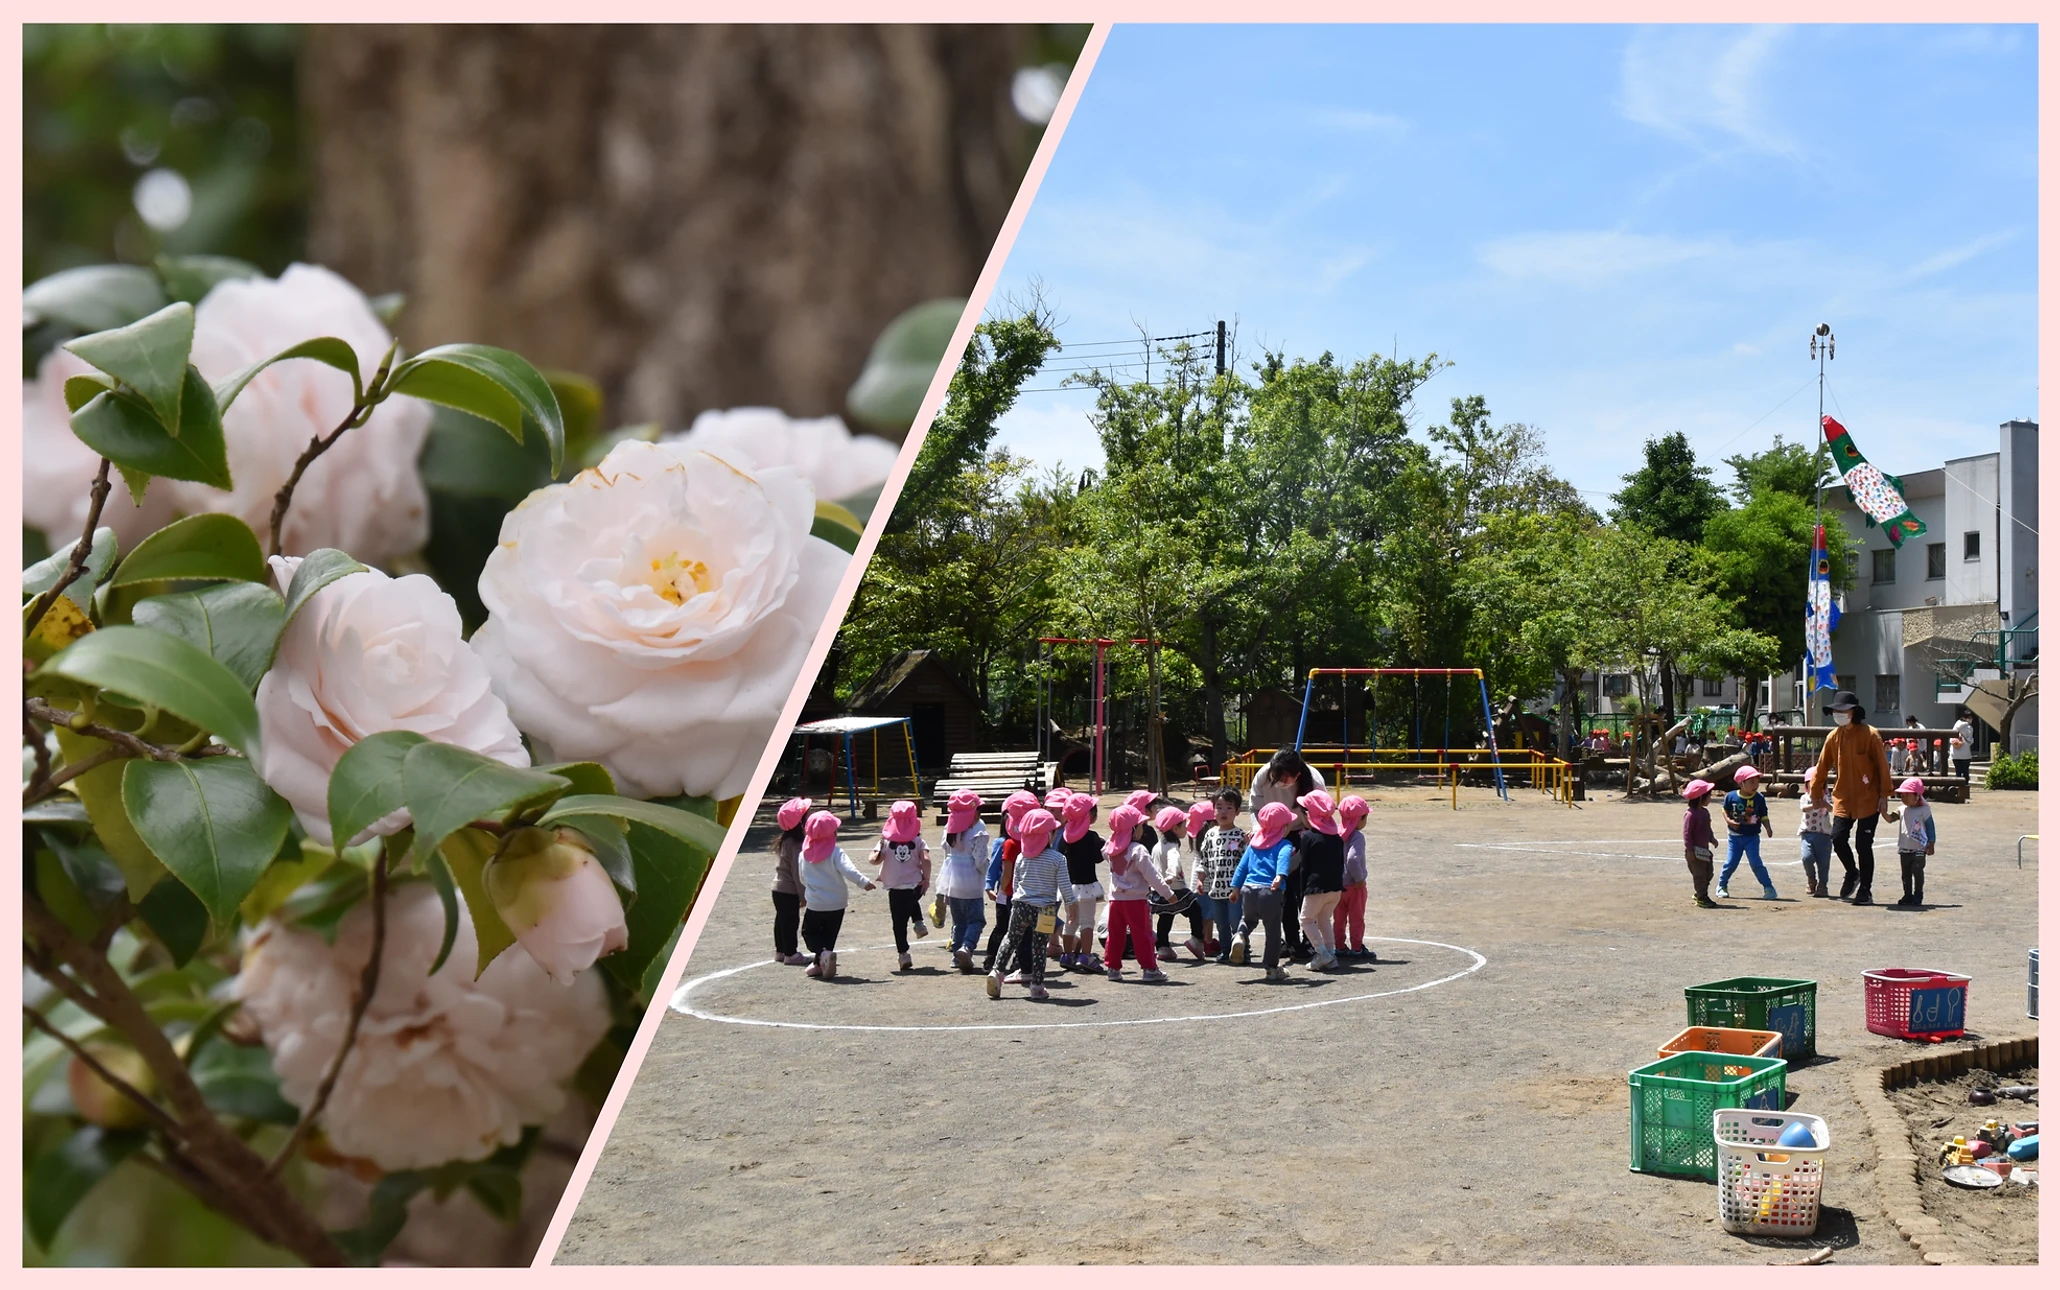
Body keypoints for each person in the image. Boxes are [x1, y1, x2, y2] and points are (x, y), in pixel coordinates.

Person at [1811, 689, 1893, 905]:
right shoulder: (1833, 736)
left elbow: (1883, 767)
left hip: (1869, 798)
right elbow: (1821, 767)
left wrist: (1884, 794)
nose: (1838, 713)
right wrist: (1815, 791)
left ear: (1853, 711)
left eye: (1843, 710)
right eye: (1835, 710)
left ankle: (1865, 890)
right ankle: (1852, 872)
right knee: (1837, 838)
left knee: (1863, 845)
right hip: (1843, 798)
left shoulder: (1871, 734)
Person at [986, 807, 1070, 1000]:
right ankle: (1037, 985)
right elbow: (1065, 886)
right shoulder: (1058, 858)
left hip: (1021, 904)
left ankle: (997, 972)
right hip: (1047, 909)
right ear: (1049, 835)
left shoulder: (1022, 857)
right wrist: (1071, 905)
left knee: (1010, 939)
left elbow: (1016, 883)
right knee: (1040, 946)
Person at [1250, 749, 1323, 960]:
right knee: (1284, 891)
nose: (1279, 781)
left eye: (1284, 778)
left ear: (1297, 775)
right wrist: (1259, 831)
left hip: (1305, 834)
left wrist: (1308, 832)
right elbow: (1254, 808)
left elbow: (1322, 814)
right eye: (1277, 776)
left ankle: (1311, 941)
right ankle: (1291, 942)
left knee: (1307, 891)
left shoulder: (1314, 780)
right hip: (1274, 835)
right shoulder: (1263, 776)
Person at [796, 810, 875, 979]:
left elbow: (802, 877)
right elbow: (848, 870)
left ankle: (821, 957)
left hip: (816, 902)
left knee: (809, 933)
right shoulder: (836, 852)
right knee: (829, 934)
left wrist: (809, 889)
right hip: (837, 903)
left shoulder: (804, 855)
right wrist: (864, 882)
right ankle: (820, 963)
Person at [1101, 804, 1176, 981]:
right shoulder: (1138, 850)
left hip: (1115, 901)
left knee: (1116, 934)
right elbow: (1153, 877)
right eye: (1141, 826)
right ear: (1134, 830)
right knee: (1142, 934)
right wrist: (1168, 894)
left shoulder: (1110, 849)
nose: (1143, 829)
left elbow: (1104, 851)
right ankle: (1149, 969)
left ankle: (1113, 968)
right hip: (1136, 901)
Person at [1229, 802, 1297, 982]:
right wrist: (1280, 876)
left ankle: (1240, 936)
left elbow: (1242, 867)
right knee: (1273, 932)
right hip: (1270, 892)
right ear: (1284, 826)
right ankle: (1272, 968)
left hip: (1248, 889)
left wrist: (1235, 888)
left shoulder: (1253, 845)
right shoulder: (1285, 844)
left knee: (1248, 920)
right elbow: (1283, 859)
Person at [867, 800, 933, 971]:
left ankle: (903, 954)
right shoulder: (918, 840)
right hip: (915, 885)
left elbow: (875, 859)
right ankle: (918, 923)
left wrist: (877, 855)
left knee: (899, 922)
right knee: (911, 900)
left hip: (895, 887)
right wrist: (926, 879)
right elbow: (926, 859)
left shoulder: (885, 841)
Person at [982, 789, 1039, 972]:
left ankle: (1018, 961)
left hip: (1024, 894)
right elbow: (995, 868)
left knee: (1021, 930)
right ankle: (991, 959)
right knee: (1004, 928)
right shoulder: (1003, 843)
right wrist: (990, 885)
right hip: (1007, 894)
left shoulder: (1037, 843)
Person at [936, 790, 989, 972]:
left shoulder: (949, 828)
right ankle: (966, 947)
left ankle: (956, 958)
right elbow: (980, 861)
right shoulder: (978, 829)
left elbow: (945, 849)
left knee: (958, 922)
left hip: (951, 881)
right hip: (971, 882)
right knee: (976, 920)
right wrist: (988, 872)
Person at [1294, 789, 1347, 970]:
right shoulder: (1337, 838)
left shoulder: (1307, 837)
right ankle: (1331, 955)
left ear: (1308, 815)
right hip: (1335, 888)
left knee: (1306, 920)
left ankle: (1322, 953)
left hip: (1316, 888)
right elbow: (1341, 863)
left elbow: (1304, 867)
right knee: (1324, 919)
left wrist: (1303, 891)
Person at [1192, 789, 1246, 963]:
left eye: (1229, 807)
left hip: (1235, 891)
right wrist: (1201, 880)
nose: (1223, 812)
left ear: (1237, 811)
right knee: (1221, 922)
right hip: (1215, 890)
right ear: (1213, 810)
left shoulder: (1240, 835)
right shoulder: (1210, 834)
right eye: (1219, 807)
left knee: (1236, 921)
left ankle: (1243, 950)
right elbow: (1204, 859)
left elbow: (1246, 863)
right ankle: (1225, 950)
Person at [1149, 804, 1206, 960]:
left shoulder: (1157, 846)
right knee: (1195, 909)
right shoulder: (1172, 848)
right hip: (1176, 889)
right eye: (1183, 824)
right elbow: (1173, 863)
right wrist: (1171, 876)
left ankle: (1163, 947)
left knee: (1166, 916)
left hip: (1160, 891)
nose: (1186, 827)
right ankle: (1196, 939)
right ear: (1175, 828)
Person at [1056, 792, 1104, 970]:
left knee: (1071, 921)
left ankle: (1066, 955)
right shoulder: (1091, 837)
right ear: (1089, 815)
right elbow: (1099, 858)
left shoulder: (1064, 837)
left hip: (1069, 888)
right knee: (1087, 922)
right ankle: (1085, 956)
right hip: (1087, 887)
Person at [1716, 764, 1777, 900]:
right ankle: (1722, 885)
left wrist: (1768, 827)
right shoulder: (1731, 796)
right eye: (1751, 782)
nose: (1755, 784)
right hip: (1735, 837)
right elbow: (1724, 810)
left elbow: (1763, 815)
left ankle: (1769, 888)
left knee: (1756, 863)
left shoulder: (1759, 798)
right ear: (1741, 783)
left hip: (1752, 837)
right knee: (1731, 862)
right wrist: (1729, 821)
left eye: (1757, 781)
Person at [770, 797, 813, 964]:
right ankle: (791, 954)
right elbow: (797, 872)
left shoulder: (785, 840)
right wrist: (803, 895)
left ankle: (780, 951)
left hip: (778, 888)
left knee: (781, 920)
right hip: (789, 890)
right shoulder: (796, 844)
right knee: (791, 921)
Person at [1883, 777, 1938, 907]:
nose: (1904, 798)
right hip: (1905, 847)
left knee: (1917, 870)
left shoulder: (1924, 810)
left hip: (1919, 847)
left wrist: (1931, 843)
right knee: (1905, 873)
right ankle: (1907, 895)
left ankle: (1918, 893)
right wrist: (1882, 812)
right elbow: (1891, 818)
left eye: (1907, 795)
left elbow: (1930, 827)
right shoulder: (1901, 809)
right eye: (1902, 795)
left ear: (1917, 796)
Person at [1332, 794, 1371, 958]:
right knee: (1356, 918)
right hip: (1354, 887)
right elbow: (1353, 859)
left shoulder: (1335, 832)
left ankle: (1339, 946)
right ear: (1360, 819)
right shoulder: (1357, 837)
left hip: (1337, 885)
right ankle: (1357, 948)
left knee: (1338, 919)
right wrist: (1359, 878)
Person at [1797, 766, 1834, 898]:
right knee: (1807, 858)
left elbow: (1831, 808)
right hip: (1807, 833)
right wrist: (1813, 805)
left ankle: (1823, 885)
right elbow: (1803, 808)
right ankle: (1811, 879)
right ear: (1807, 785)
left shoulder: (1826, 797)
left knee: (1824, 863)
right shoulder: (1805, 797)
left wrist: (1825, 804)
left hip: (1824, 834)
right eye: (1812, 784)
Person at [1681, 780, 1719, 908]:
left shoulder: (1705, 813)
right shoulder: (1690, 815)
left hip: (1703, 850)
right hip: (1694, 851)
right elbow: (1687, 833)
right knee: (1700, 875)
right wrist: (1690, 850)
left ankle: (1699, 892)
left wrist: (1712, 838)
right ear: (1701, 797)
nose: (1710, 798)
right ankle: (1702, 897)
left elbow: (1707, 828)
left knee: (1709, 872)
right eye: (1709, 795)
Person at [1951, 709, 1975, 782]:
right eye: (1969, 717)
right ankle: (1965, 788)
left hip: (1955, 754)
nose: (1971, 719)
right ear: (1965, 718)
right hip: (1965, 754)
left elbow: (1951, 738)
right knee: (1965, 773)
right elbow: (1969, 740)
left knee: (1958, 772)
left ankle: (1957, 788)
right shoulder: (1969, 728)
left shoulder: (1956, 725)